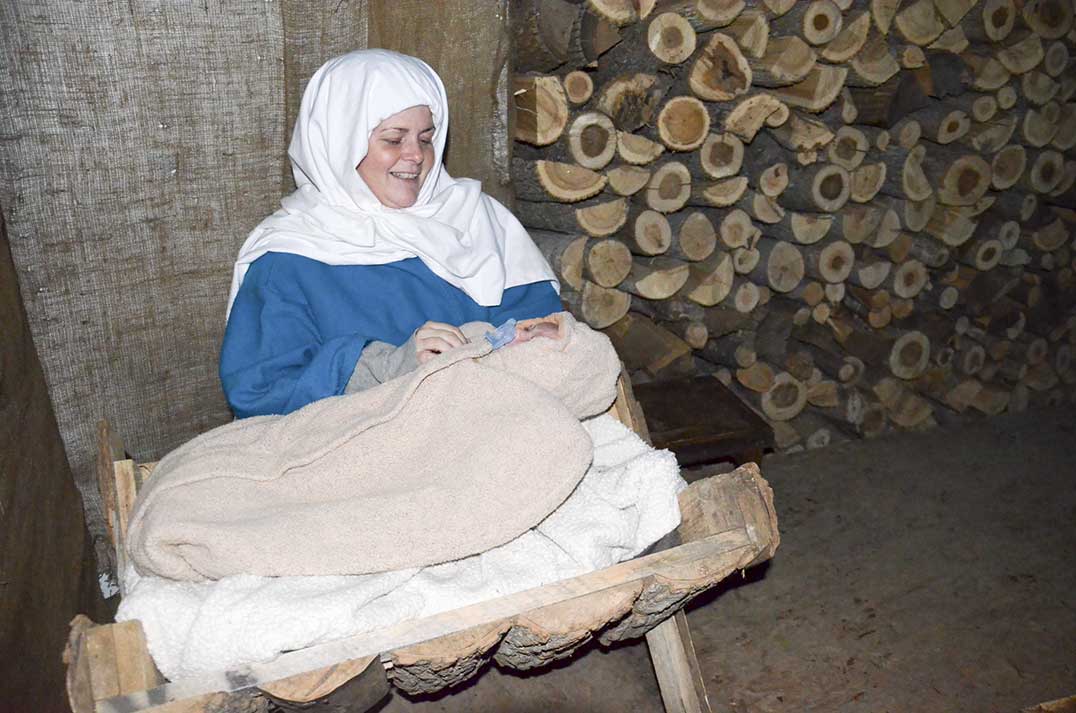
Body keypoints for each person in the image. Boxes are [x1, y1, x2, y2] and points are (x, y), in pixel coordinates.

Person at [220, 50, 562, 418]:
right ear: (341, 142)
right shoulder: (288, 257)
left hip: (493, 416)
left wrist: (533, 337)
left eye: (426, 139)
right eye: (394, 140)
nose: (416, 155)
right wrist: (385, 366)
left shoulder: (475, 219)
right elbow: (263, 390)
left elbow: (537, 317)